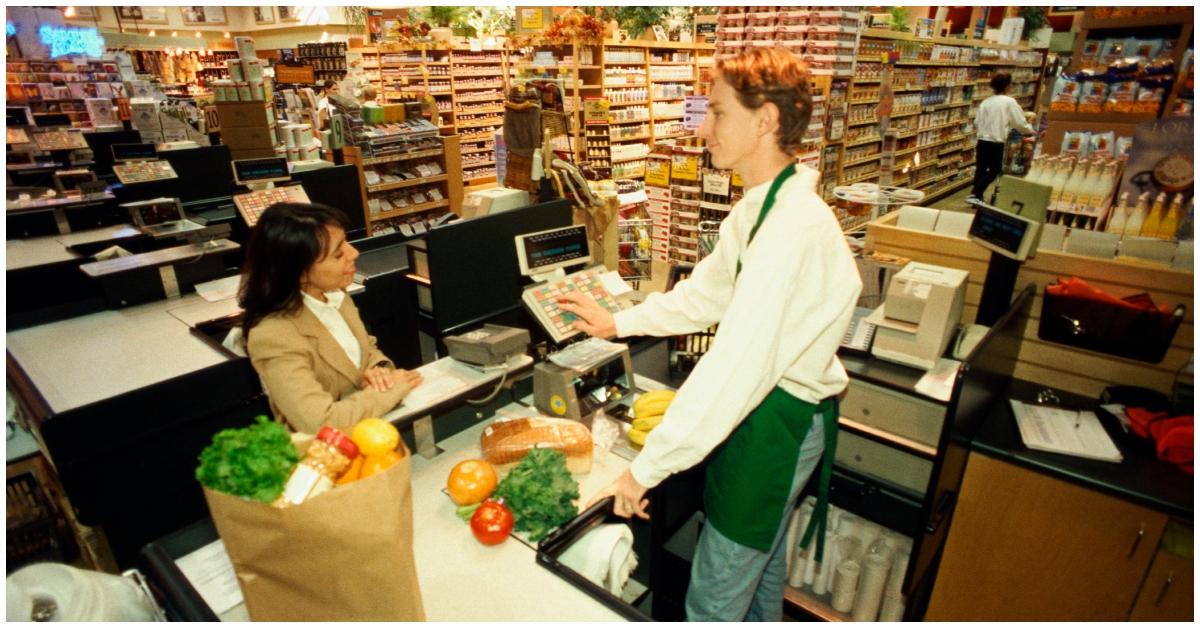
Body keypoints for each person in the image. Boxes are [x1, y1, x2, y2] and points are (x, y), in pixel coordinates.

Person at [557, 47, 862, 622]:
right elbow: (707, 294)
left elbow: (735, 367)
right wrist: (617, 322)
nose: (702, 127)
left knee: (715, 597)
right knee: (761, 571)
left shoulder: (790, 229)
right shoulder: (760, 209)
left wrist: (642, 471)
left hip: (778, 424)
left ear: (765, 120)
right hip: (769, 415)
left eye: (718, 113)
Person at [239, 202, 422, 434]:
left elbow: (365, 348)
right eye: (337, 254)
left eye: (346, 242)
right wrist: (389, 391)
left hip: (372, 431)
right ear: (299, 272)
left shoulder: (336, 295)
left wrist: (378, 370)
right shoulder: (272, 335)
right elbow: (318, 423)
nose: (354, 253)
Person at [971, 72, 1036, 201]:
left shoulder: (986, 102)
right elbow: (1018, 121)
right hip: (996, 140)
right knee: (995, 169)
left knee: (981, 169)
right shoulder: (1009, 102)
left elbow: (977, 122)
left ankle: (976, 197)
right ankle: (975, 193)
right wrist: (1030, 130)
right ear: (1007, 86)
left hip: (982, 139)